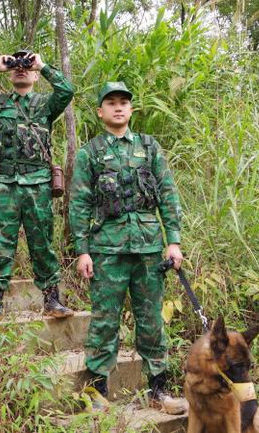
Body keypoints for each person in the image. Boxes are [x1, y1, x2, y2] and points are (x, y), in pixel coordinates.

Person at [68, 82, 187, 412]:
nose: (118, 107)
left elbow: (167, 195)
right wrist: (83, 250)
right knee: (105, 321)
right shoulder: (89, 153)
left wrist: (173, 242)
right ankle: (97, 393)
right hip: (107, 250)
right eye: (111, 103)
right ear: (100, 111)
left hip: (149, 249)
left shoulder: (149, 148)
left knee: (151, 321)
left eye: (124, 102)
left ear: (131, 110)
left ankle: (158, 391)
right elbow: (78, 203)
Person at [0, 50, 74, 317]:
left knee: (42, 244)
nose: (21, 69)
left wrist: (43, 65)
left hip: (37, 184)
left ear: (35, 75)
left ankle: (51, 300)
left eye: (27, 66)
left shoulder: (45, 104)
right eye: (16, 66)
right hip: (4, 183)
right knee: (1, 245)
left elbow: (67, 90)